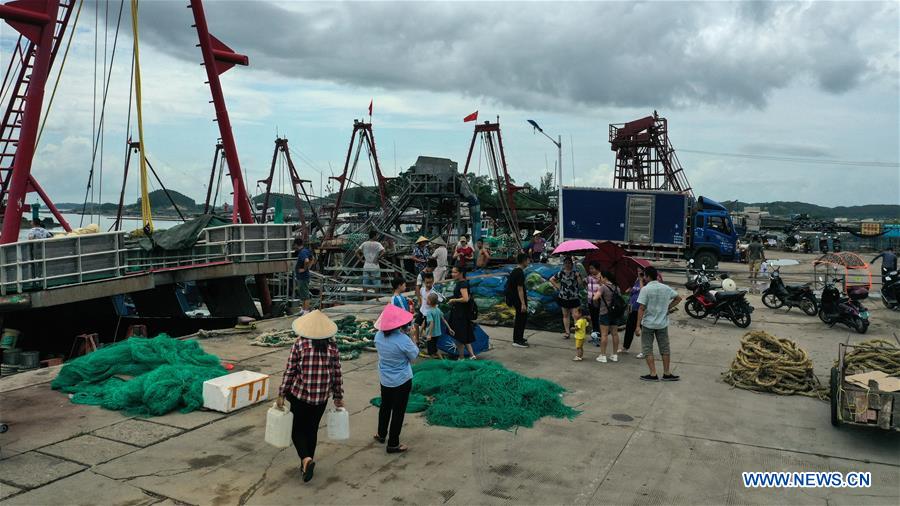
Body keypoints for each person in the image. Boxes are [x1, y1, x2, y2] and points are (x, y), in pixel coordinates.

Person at [277, 310, 344, 482]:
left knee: (297, 429)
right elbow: (337, 373)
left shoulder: (299, 344)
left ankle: (305, 459)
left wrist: (282, 393)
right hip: (321, 398)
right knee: (312, 429)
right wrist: (338, 395)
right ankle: (307, 464)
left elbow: (290, 371)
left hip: (300, 396)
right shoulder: (333, 347)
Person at [373, 304, 419, 453]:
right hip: (401, 380)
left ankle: (381, 434)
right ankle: (393, 443)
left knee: (385, 406)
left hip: (385, 378)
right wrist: (413, 337)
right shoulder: (403, 339)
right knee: (398, 411)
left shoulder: (378, 336)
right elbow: (414, 355)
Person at [635, 266, 682, 381]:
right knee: (664, 348)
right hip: (662, 324)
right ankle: (667, 373)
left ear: (647, 276)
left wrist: (637, 326)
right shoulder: (665, 288)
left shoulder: (645, 289)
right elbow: (678, 298)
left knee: (647, 348)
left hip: (648, 324)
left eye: (644, 276)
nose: (643, 278)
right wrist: (667, 308)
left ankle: (653, 374)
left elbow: (641, 308)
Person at [549, 256, 583, 339]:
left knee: (575, 315)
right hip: (563, 297)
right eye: (566, 263)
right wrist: (558, 287)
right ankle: (567, 332)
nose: (567, 265)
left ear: (572, 264)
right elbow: (551, 279)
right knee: (565, 315)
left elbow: (580, 284)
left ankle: (577, 333)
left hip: (574, 297)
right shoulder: (561, 273)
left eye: (569, 263)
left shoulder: (576, 273)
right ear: (564, 264)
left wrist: (578, 277)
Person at [447, 266, 478, 359]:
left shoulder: (463, 284)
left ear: (461, 273)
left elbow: (465, 299)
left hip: (460, 314)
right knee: (464, 336)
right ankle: (472, 355)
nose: (452, 274)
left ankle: (461, 357)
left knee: (459, 336)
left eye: (455, 272)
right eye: (452, 272)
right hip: (461, 313)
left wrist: (453, 300)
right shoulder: (462, 283)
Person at [594, 271, 621, 363]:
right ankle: (615, 355)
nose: (600, 279)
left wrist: (596, 298)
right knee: (615, 334)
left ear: (605, 278)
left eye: (601, 277)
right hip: (615, 313)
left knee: (604, 334)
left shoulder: (603, 287)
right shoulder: (617, 287)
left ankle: (603, 355)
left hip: (604, 313)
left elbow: (595, 298)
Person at [419, 273, 447, 357]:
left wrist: (429, 334)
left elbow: (431, 323)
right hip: (423, 312)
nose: (428, 284)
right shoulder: (422, 290)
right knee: (434, 347)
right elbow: (443, 319)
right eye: (426, 283)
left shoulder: (434, 293)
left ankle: (432, 356)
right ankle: (440, 358)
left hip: (431, 331)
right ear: (424, 282)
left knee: (432, 347)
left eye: (430, 283)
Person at [505, 253, 530, 348]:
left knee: (521, 318)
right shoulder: (519, 273)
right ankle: (517, 340)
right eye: (528, 260)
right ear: (523, 261)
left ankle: (519, 337)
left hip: (515, 298)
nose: (529, 262)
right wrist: (523, 303)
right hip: (518, 299)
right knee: (521, 319)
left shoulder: (515, 271)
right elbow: (520, 289)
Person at [623, 268, 646, 358]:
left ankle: (645, 350)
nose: (638, 273)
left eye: (640, 271)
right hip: (632, 308)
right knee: (629, 328)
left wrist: (641, 280)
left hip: (641, 309)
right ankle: (625, 347)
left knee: (644, 330)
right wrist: (629, 290)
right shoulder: (635, 281)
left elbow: (643, 292)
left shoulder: (646, 282)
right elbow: (631, 292)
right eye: (637, 271)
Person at [424, 292, 453, 358]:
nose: (426, 300)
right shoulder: (438, 310)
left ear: (430, 302)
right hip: (437, 333)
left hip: (431, 334)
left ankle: (435, 361)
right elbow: (444, 320)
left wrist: (429, 335)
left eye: (427, 299)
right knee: (435, 348)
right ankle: (442, 360)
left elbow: (432, 323)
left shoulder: (429, 312)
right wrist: (450, 328)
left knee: (431, 351)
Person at [294, 238, 315, 314]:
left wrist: (304, 269)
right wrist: (309, 267)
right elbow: (313, 258)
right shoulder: (306, 250)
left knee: (305, 294)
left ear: (296, 244)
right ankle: (303, 309)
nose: (294, 246)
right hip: (302, 276)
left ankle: (306, 310)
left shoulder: (302, 252)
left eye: (294, 245)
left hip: (303, 277)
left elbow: (306, 260)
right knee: (302, 293)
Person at [586, 262, 602, 346]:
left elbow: (605, 286)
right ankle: (595, 335)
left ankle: (599, 336)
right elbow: (584, 285)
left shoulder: (602, 277)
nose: (591, 270)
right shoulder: (589, 277)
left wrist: (600, 281)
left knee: (598, 318)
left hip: (598, 300)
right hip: (590, 300)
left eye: (592, 268)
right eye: (590, 268)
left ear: (597, 268)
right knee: (593, 318)